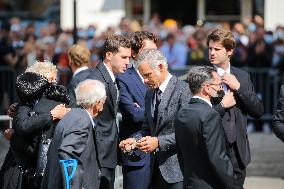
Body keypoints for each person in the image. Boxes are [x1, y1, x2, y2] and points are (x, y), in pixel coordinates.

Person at [119, 49, 191, 189]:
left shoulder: (183, 90)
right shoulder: (150, 93)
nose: (145, 81)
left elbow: (188, 133)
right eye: (143, 76)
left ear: (161, 67)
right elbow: (147, 128)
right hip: (154, 172)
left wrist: (158, 142)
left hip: (178, 172)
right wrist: (136, 141)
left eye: (148, 75)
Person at [208, 28, 264, 187]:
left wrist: (239, 87)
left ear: (230, 51)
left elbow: (258, 111)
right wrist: (221, 106)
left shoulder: (242, 76)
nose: (212, 52)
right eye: (210, 48)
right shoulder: (202, 75)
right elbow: (197, 116)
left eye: (217, 49)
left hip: (237, 153)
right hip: (212, 149)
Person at [175, 66, 242, 189]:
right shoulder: (210, 115)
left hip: (190, 183)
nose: (220, 88)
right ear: (207, 88)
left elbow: (181, 154)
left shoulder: (181, 113)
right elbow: (217, 157)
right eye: (217, 85)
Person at [41, 79, 106, 189]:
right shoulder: (82, 120)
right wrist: (74, 185)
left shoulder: (73, 115)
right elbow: (67, 152)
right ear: (98, 103)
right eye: (104, 101)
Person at [87, 34, 131, 189]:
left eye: (129, 58)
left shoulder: (111, 77)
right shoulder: (96, 80)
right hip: (98, 154)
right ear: (109, 55)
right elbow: (87, 119)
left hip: (107, 151)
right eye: (124, 57)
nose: (128, 62)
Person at [116, 31, 158, 189]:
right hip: (137, 154)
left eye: (155, 50)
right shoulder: (123, 77)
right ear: (134, 54)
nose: (152, 54)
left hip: (161, 156)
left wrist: (144, 109)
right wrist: (158, 110)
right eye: (148, 50)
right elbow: (132, 114)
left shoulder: (160, 74)